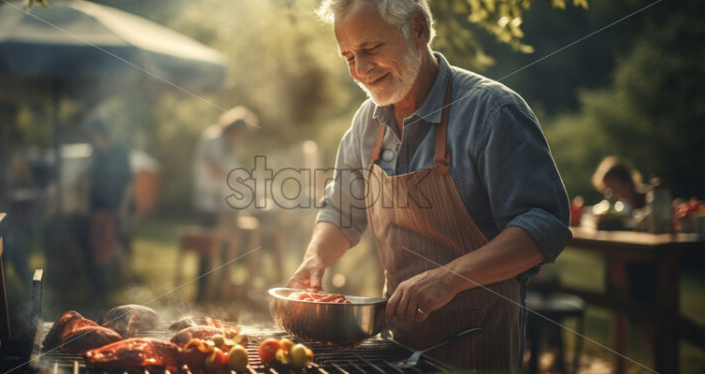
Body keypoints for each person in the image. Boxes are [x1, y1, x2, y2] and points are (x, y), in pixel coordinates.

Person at [287, 1, 571, 372]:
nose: (361, 70)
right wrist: (314, 260)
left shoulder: (492, 111)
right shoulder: (365, 123)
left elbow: (544, 226)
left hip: (480, 343)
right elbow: (342, 212)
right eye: (349, 56)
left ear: (418, 30)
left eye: (371, 50)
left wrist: (447, 279)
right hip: (398, 345)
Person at [192, 106, 257, 299]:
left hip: (221, 204)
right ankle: (203, 292)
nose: (242, 138)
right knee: (209, 249)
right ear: (235, 129)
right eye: (242, 133)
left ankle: (221, 288)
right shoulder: (213, 139)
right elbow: (214, 168)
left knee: (227, 248)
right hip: (208, 204)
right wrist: (237, 180)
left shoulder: (228, 146)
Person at [87, 119, 134, 295]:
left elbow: (129, 182)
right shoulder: (96, 156)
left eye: (94, 136)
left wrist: (123, 208)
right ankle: (101, 288)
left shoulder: (120, 153)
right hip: (98, 209)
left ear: (102, 135)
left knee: (116, 246)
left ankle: (122, 283)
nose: (92, 140)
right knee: (99, 249)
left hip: (116, 209)